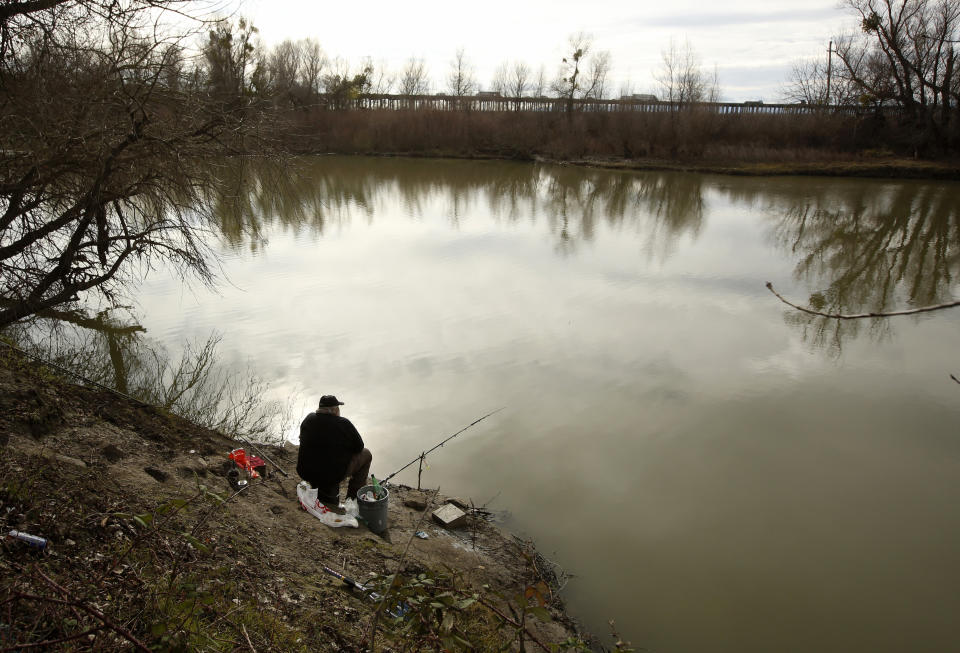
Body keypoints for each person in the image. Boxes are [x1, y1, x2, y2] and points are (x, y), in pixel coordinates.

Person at [296, 395, 372, 510]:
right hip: (332, 475)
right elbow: (359, 447)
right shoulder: (344, 424)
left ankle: (319, 487)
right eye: (338, 408)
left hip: (305, 471)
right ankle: (353, 499)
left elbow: (302, 439)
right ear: (335, 410)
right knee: (366, 454)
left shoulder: (308, 419)